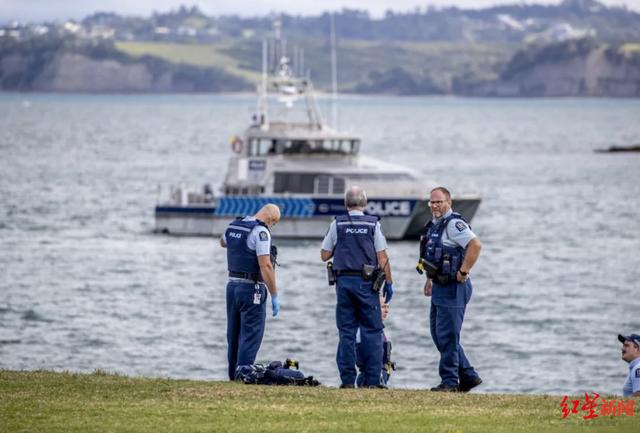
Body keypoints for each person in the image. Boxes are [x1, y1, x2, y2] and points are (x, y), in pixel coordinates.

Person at [320, 186, 394, 388]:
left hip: (344, 283)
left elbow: (324, 255)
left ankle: (346, 381)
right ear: (365, 203)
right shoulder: (373, 225)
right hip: (367, 284)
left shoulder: (337, 224)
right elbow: (382, 257)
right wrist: (389, 282)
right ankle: (372, 381)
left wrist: (342, 246)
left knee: (346, 332)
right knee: (372, 330)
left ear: (345, 204)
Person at [420, 186, 482, 392]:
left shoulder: (454, 224)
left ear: (449, 203)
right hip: (439, 286)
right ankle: (469, 376)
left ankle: (449, 382)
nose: (435, 206)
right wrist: (429, 279)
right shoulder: (435, 225)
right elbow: (433, 257)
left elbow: (475, 245)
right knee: (439, 335)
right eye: (432, 202)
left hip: (454, 287)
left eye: (439, 202)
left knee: (447, 336)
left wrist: (463, 272)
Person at [220, 203, 281, 380]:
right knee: (251, 334)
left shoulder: (234, 225)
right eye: (274, 223)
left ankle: (233, 376)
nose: (272, 227)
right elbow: (266, 265)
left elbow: (223, 242)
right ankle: (244, 375)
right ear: (270, 219)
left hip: (232, 287)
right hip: (251, 287)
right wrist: (274, 294)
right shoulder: (261, 232)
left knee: (233, 334)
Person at [356, 298, 395, 387]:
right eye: (383, 307)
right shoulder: (364, 331)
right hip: (370, 376)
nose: (386, 311)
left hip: (382, 374)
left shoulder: (380, 330)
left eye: (387, 307)